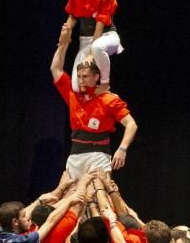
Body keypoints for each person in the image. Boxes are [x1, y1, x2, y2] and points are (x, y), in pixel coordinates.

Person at [51, 38, 138, 178]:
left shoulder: (108, 99)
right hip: (75, 155)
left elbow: (131, 124)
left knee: (97, 194)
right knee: (72, 197)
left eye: (85, 76)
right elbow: (55, 69)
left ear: (97, 76)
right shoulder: (73, 94)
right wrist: (64, 43)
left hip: (99, 155)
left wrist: (122, 149)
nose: (80, 81)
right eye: (78, 77)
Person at [60, 0, 123, 92]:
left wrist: (91, 54)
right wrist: (66, 31)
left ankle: (105, 83)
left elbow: (101, 22)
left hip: (106, 37)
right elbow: (73, 14)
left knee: (96, 48)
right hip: (85, 40)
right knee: (77, 87)